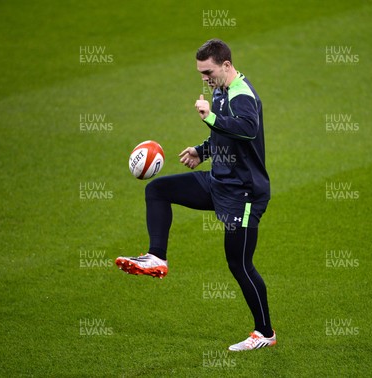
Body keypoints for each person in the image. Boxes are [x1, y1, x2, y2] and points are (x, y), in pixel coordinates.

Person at [115, 38, 275, 351]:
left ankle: (265, 333)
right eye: (201, 72)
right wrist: (202, 150)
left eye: (208, 71)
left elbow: (247, 129)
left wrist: (209, 117)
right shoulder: (219, 90)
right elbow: (224, 134)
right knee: (158, 190)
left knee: (239, 265)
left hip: (244, 194)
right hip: (219, 182)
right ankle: (156, 257)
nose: (204, 77)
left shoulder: (242, 94)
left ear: (226, 65)